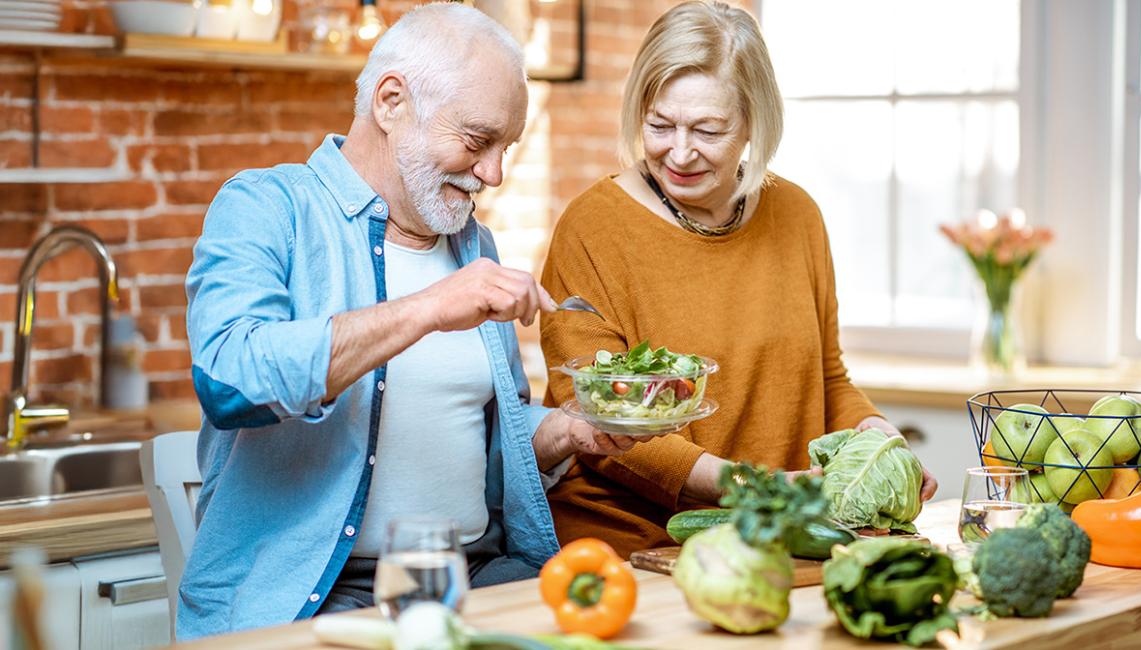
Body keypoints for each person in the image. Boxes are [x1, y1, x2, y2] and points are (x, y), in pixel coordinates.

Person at [179, 3, 638, 639]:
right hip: (321, 593)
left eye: (506, 148)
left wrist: (566, 431)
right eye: (478, 142)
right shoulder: (265, 207)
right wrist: (427, 309)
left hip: (479, 575)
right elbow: (230, 380)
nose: (494, 174)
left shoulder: (473, 247)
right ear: (391, 102)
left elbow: (469, 439)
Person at [538, 0, 938, 558]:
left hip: (780, 536)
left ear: (754, 122)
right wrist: (754, 488)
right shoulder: (593, 228)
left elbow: (828, 377)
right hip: (636, 546)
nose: (679, 152)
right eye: (659, 125)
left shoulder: (797, 215)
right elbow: (596, 420)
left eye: (708, 129)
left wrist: (879, 441)